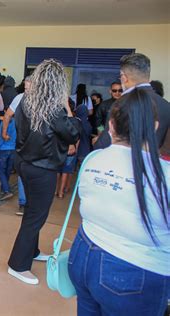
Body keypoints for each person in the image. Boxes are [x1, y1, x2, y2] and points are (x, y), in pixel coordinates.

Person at [68, 89, 169, 315]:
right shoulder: (164, 175)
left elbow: (86, 199)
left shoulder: (93, 159)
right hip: (135, 270)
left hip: (84, 254)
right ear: (154, 127)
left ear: (111, 126)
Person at [7, 59, 80, 285]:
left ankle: (33, 250)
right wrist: (67, 107)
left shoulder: (26, 101)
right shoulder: (56, 110)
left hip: (23, 162)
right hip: (43, 169)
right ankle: (17, 265)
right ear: (58, 84)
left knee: (32, 210)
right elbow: (72, 134)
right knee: (36, 216)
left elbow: (18, 128)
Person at [94, 53, 170, 159]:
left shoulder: (122, 103)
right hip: (153, 168)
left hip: (121, 164)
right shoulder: (166, 105)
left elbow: (104, 143)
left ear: (124, 77)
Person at [2, 76, 31, 216]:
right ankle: (25, 202)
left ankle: (25, 203)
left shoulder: (20, 97)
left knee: (24, 171)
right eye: (25, 87)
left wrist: (4, 132)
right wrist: (4, 131)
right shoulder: (44, 99)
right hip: (29, 142)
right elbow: (7, 116)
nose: (26, 90)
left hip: (23, 140)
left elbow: (7, 115)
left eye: (28, 87)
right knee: (25, 172)